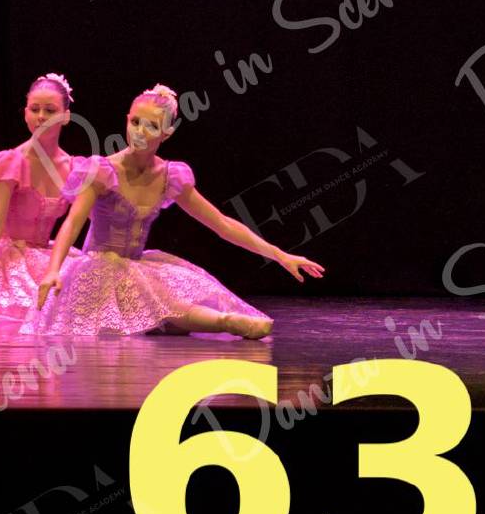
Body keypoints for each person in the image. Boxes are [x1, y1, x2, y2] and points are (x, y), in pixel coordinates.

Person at [27, 84, 324, 337]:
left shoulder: (170, 177)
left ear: (166, 133)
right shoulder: (102, 171)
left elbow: (222, 224)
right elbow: (73, 223)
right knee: (155, 308)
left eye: (152, 126)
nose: (140, 132)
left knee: (163, 301)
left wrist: (279, 255)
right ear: (127, 120)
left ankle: (221, 321)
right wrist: (53, 270)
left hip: (136, 267)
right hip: (97, 272)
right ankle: (225, 323)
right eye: (135, 122)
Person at [0, 73, 83, 322]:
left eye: (50, 110)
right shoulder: (12, 161)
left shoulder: (74, 168)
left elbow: (79, 222)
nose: (41, 116)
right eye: (34, 109)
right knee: (30, 313)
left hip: (47, 258)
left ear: (66, 116)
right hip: (8, 262)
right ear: (25, 113)